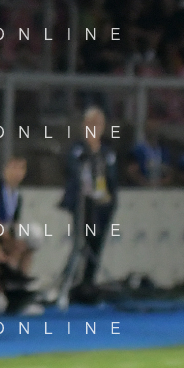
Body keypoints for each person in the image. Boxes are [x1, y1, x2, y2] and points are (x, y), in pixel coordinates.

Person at [59, 106, 119, 305]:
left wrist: (108, 196)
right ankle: (68, 283)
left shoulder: (107, 150)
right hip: (83, 203)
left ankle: (88, 284)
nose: (95, 127)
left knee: (97, 242)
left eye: (99, 124)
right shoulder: (77, 148)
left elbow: (112, 177)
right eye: (91, 123)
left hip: (103, 205)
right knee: (80, 243)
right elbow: (72, 170)